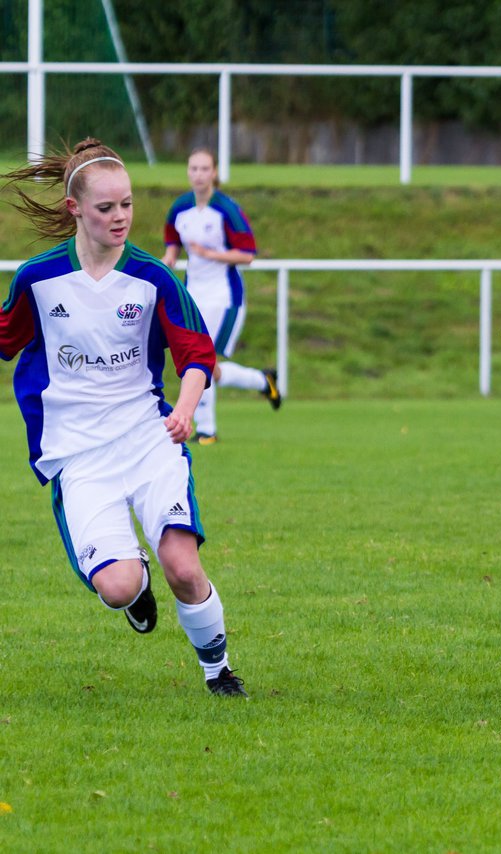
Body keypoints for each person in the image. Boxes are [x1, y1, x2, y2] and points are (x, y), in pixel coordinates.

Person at [0, 139, 246, 696]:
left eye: (128, 205)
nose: (120, 217)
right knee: (116, 585)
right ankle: (134, 584)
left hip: (147, 439)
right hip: (79, 453)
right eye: (107, 207)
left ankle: (218, 671)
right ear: (75, 209)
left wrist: (185, 410)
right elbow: (6, 337)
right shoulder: (36, 280)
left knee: (183, 566)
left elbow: (196, 355)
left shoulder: (154, 279)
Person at [162, 147, 280, 445]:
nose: (198, 175)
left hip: (225, 297)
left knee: (203, 359)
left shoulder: (226, 209)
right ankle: (262, 381)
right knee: (207, 366)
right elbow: (172, 241)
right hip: (193, 296)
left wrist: (210, 254)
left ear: (214, 173)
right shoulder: (180, 208)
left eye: (204, 169)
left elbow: (248, 254)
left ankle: (207, 429)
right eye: (193, 169)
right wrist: (169, 258)